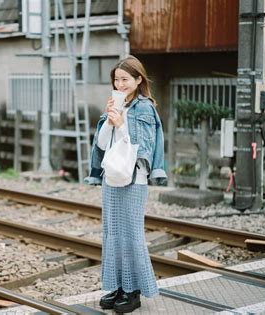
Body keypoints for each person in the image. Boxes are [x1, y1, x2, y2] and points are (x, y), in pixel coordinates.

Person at [85, 55, 166, 313]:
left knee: (131, 234)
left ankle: (133, 291)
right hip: (112, 177)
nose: (120, 84)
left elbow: (141, 148)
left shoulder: (144, 108)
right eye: (116, 80)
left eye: (125, 79)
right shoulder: (116, 105)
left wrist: (121, 125)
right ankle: (119, 286)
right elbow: (101, 145)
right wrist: (110, 121)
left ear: (138, 79)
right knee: (113, 233)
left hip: (134, 179)